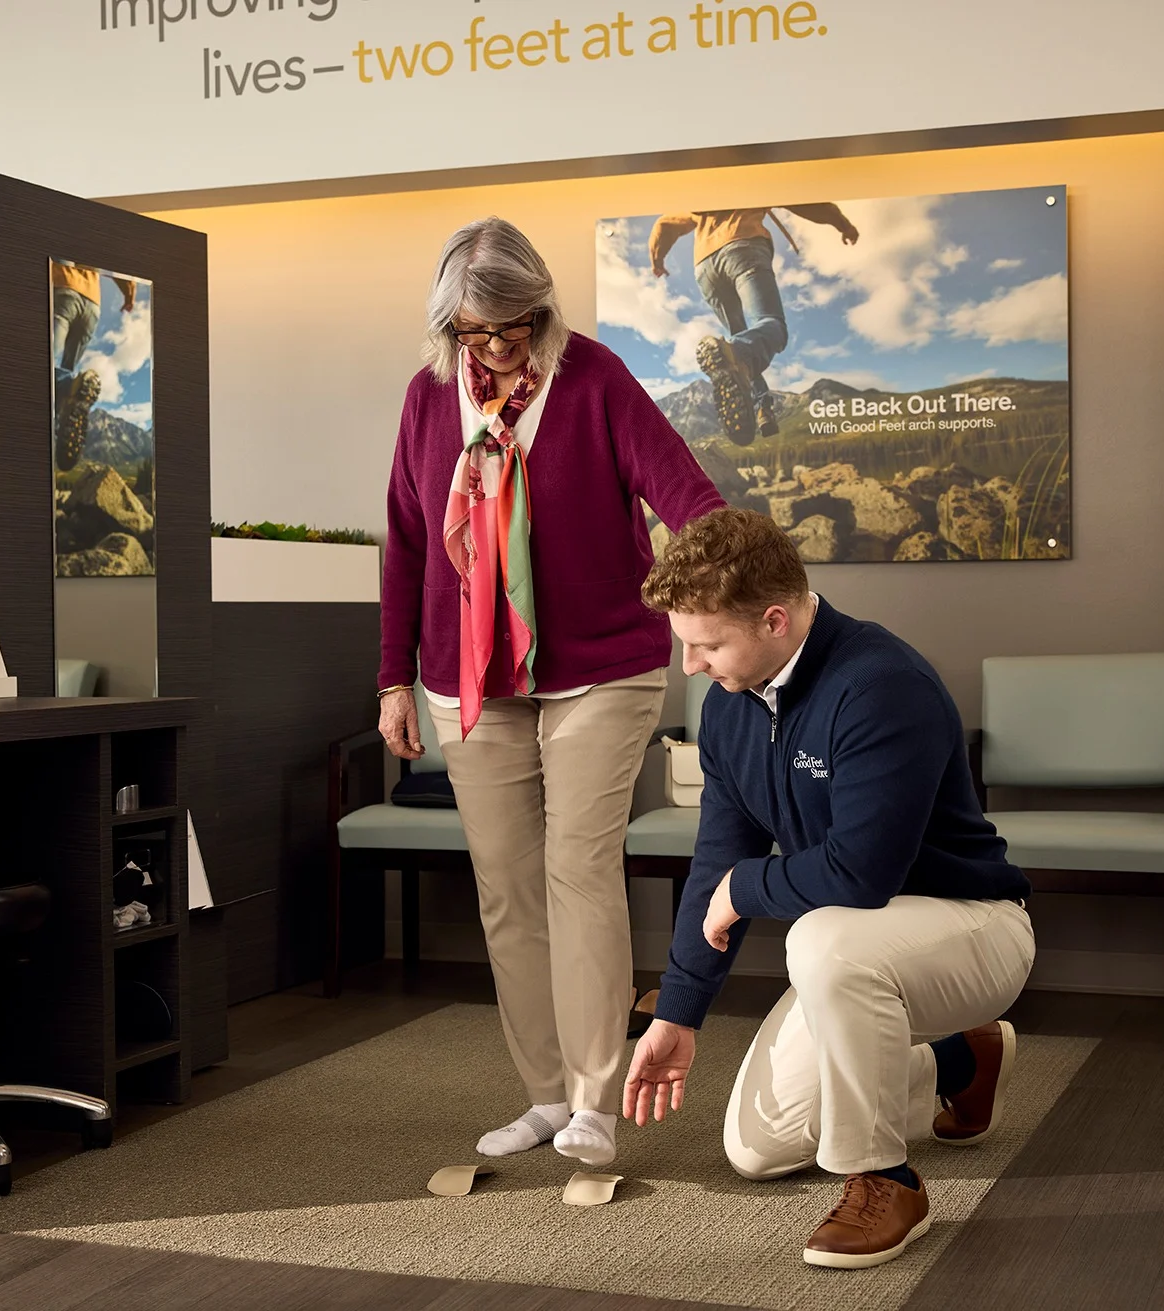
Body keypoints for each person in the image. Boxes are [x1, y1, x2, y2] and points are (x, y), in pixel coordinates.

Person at [378, 217, 728, 1170]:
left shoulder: (596, 380)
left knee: (578, 873)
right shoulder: (425, 401)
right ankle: (542, 1095)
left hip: (603, 669)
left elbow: (685, 492)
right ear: (448, 325)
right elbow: (408, 543)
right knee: (505, 890)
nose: (496, 347)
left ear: (544, 310)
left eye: (515, 325)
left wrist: (737, 572)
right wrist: (392, 679)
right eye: (474, 332)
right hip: (468, 680)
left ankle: (595, 1100)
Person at [623, 507, 1035, 1269]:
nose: (690, 665)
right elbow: (718, 862)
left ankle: (885, 1178)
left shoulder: (882, 684)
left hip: (972, 924)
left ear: (774, 620)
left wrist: (748, 887)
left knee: (818, 936)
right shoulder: (727, 711)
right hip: (858, 946)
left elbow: (860, 871)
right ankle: (959, 1061)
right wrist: (679, 1010)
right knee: (756, 1147)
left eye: (705, 644)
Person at [648, 206, 858, 442]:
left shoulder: (703, 195)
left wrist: (657, 260)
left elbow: (663, 225)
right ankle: (748, 375)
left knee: (740, 344)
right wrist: (843, 224)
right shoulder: (751, 182)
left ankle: (762, 407)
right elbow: (804, 202)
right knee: (771, 326)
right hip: (742, 247)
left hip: (705, 267)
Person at [50, 261, 135, 470]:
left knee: (46, 364)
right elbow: (116, 263)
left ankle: (68, 388)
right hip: (92, 305)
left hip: (64, 287)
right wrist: (129, 295)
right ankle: (60, 422)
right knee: (66, 382)